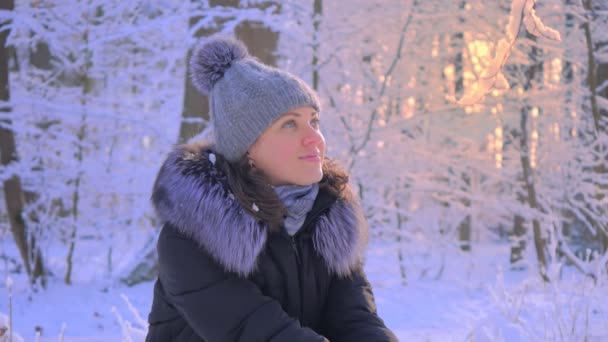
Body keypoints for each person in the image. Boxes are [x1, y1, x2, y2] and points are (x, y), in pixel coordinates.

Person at [145, 35, 398, 342]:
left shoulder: (328, 220)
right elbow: (257, 332)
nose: (314, 138)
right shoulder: (194, 234)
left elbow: (356, 319)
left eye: (314, 121)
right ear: (247, 150)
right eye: (290, 124)